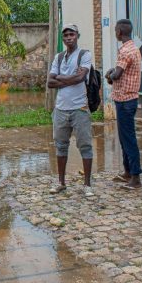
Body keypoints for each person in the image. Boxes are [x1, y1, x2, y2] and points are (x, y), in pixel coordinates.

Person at [47, 24, 95, 197]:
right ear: (63, 38)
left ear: (77, 36)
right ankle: (61, 182)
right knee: (60, 146)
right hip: (60, 109)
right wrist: (69, 78)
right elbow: (50, 82)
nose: (69, 37)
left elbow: (81, 77)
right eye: (66, 35)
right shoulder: (59, 57)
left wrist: (60, 77)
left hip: (79, 108)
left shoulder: (84, 55)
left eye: (72, 34)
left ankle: (87, 185)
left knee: (85, 146)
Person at [104, 19, 142, 190]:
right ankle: (128, 171)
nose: (115, 33)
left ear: (119, 32)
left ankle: (135, 177)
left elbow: (117, 74)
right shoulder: (133, 48)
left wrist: (109, 73)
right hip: (125, 98)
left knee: (128, 139)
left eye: (115, 30)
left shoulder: (125, 50)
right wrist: (113, 73)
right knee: (124, 138)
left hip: (126, 101)